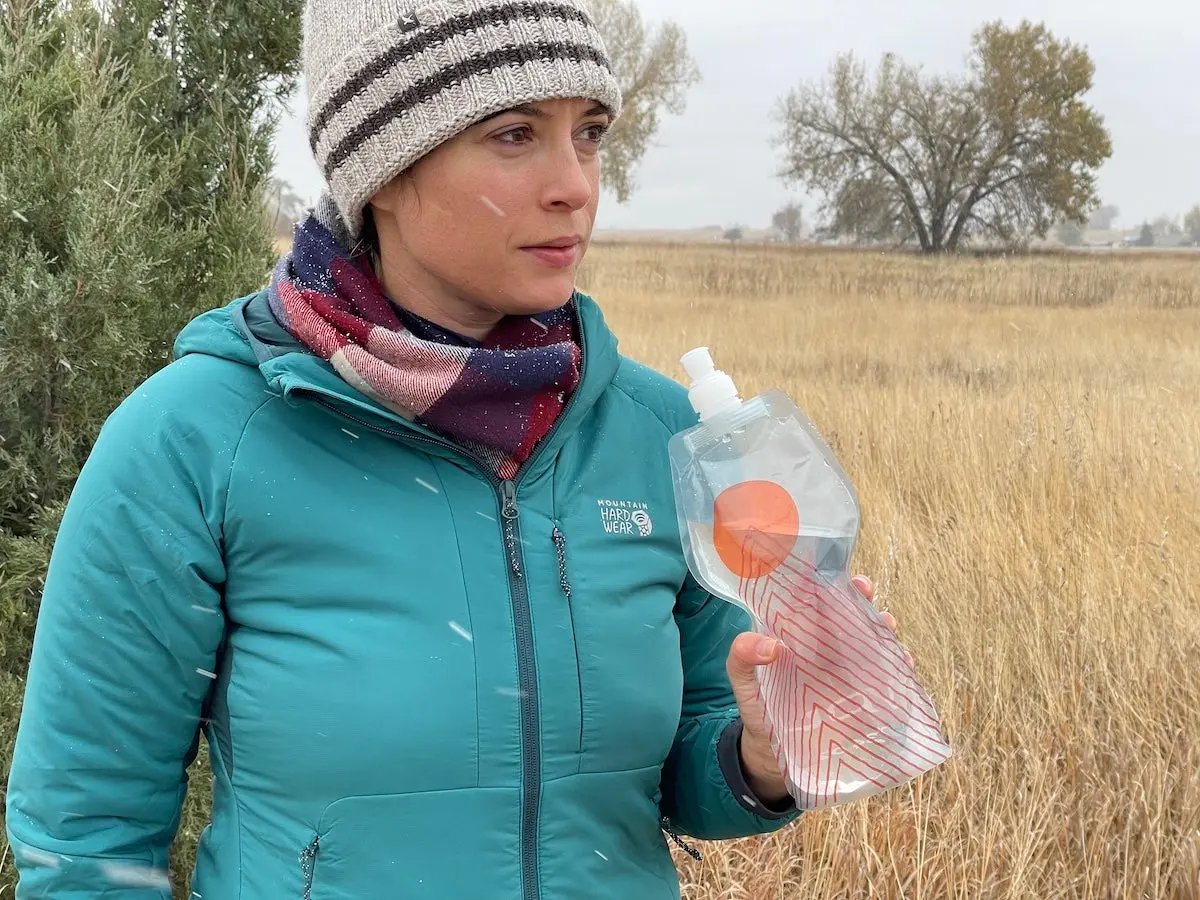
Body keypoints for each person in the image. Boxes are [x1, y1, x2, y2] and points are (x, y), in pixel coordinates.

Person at [5, 0, 894, 896]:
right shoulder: (197, 439)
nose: (574, 184)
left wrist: (761, 754)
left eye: (588, 133)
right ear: (382, 170)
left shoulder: (663, 437)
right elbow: (84, 837)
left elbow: (678, 768)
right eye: (515, 134)